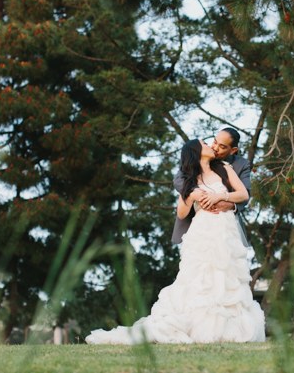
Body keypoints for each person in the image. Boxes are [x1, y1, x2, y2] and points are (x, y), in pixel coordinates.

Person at [85, 138, 265, 344]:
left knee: (227, 276)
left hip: (226, 231)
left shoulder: (224, 169)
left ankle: (229, 327)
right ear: (196, 153)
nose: (211, 146)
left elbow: (242, 194)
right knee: (201, 279)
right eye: (205, 144)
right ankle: (201, 326)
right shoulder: (189, 180)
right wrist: (192, 195)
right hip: (203, 232)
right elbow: (181, 213)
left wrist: (219, 199)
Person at [171, 127, 251, 245]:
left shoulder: (236, 166)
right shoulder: (191, 170)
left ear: (233, 150)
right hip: (200, 228)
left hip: (226, 226)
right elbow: (179, 181)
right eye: (214, 142)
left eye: (222, 147)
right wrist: (195, 194)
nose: (215, 148)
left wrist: (226, 202)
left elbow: (245, 193)